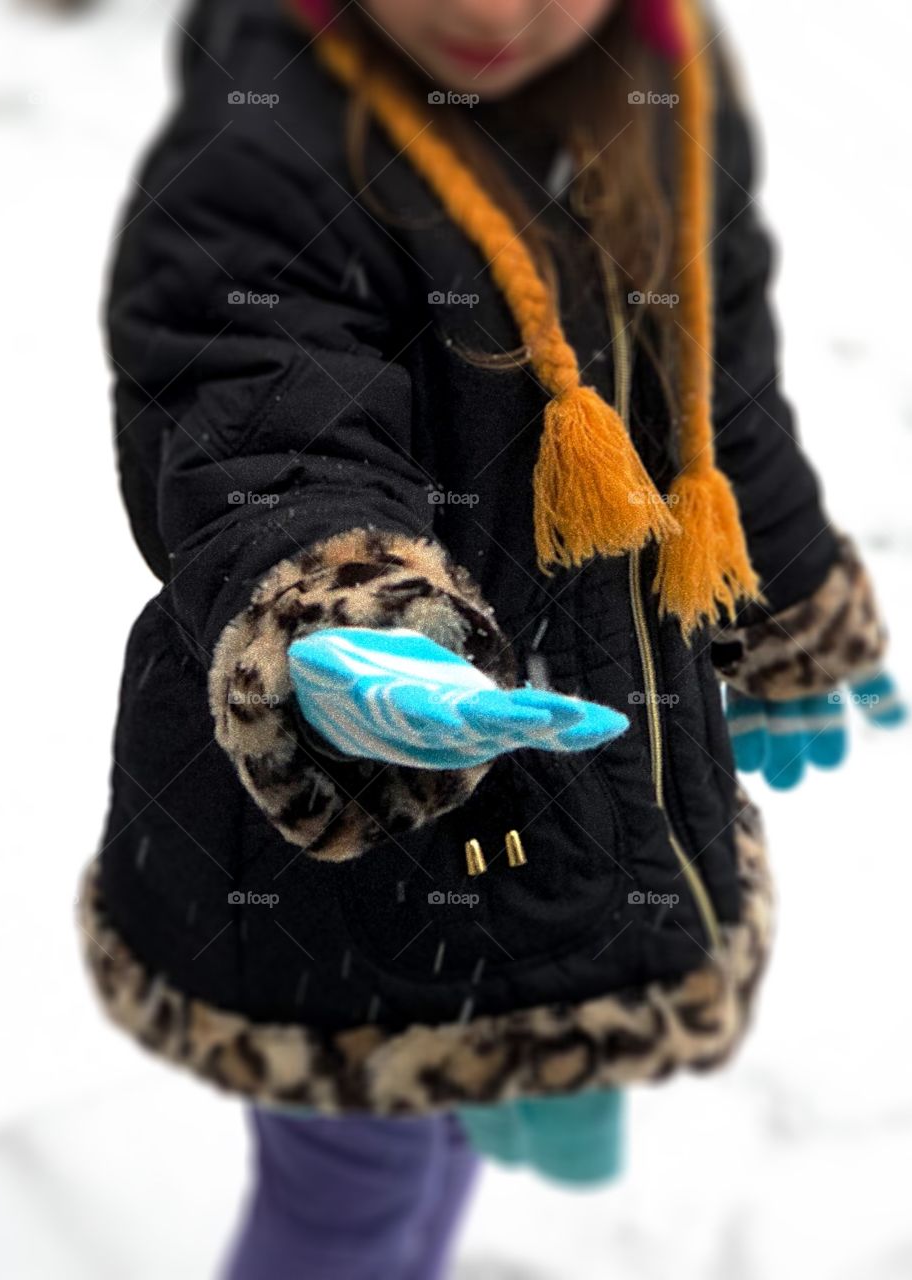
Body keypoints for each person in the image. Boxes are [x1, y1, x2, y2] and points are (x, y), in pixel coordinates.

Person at [79, 0, 901, 1274]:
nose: (490, 12)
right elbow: (260, 410)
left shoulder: (659, 99)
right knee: (351, 1191)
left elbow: (718, 379)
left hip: (567, 779)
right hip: (332, 814)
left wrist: (785, 591)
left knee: (469, 1097)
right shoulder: (269, 143)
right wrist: (347, 615)